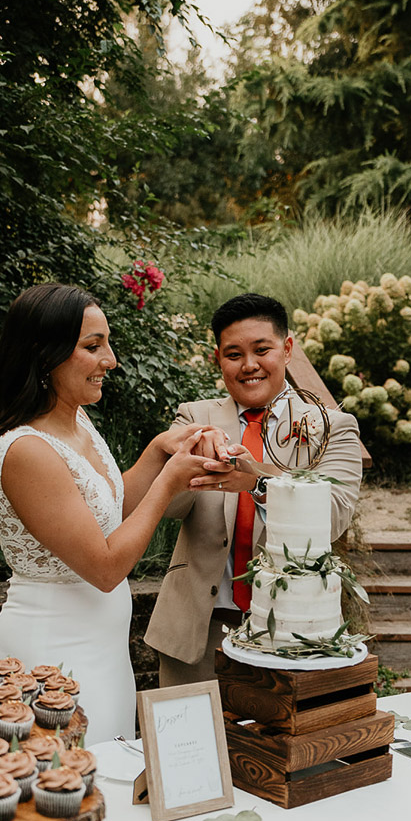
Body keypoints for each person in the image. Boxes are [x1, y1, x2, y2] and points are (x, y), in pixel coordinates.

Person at [0, 282, 230, 743]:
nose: (110, 360)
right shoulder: (27, 450)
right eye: (93, 346)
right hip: (51, 655)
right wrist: (170, 480)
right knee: (62, 791)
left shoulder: (79, 423)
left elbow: (111, 511)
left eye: (107, 344)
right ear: (44, 355)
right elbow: (106, 566)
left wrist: (157, 452)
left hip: (104, 653)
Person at [145, 292, 363, 687]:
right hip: (198, 626)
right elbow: (171, 506)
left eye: (262, 350)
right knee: (191, 745)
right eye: (233, 354)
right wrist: (184, 464)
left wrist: (259, 483)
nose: (249, 366)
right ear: (218, 359)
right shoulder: (194, 417)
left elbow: (331, 517)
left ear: (287, 349)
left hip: (291, 636)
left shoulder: (333, 426)